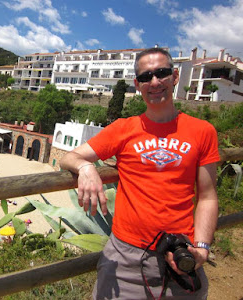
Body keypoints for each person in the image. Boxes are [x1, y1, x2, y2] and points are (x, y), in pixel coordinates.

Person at [60, 48, 219, 299]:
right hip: (125, 260)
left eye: (162, 73)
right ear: (137, 84)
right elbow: (68, 156)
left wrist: (201, 248)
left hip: (181, 256)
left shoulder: (203, 131)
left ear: (175, 77)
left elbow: (208, 197)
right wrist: (86, 167)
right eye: (146, 77)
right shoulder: (123, 128)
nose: (154, 82)